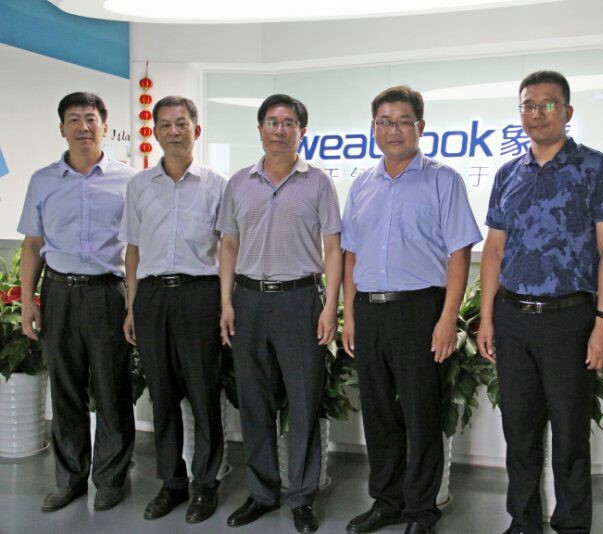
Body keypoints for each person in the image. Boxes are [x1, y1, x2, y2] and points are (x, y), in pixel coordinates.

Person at [477, 70, 603, 534]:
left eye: (547, 104)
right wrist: (486, 319)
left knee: (570, 433)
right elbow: (494, 251)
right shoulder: (508, 174)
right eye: (528, 105)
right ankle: (523, 522)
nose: (536, 113)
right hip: (513, 318)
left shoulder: (596, 168)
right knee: (519, 431)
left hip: (569, 319)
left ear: (568, 111)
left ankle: (572, 524)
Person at [341, 85, 482, 534]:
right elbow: (350, 255)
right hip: (370, 311)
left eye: (404, 121)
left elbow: (459, 254)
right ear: (373, 128)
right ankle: (387, 501)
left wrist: (447, 319)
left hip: (420, 310)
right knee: (378, 410)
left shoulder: (443, 180)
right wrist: (350, 315)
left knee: (422, 414)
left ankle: (421, 510)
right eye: (385, 122)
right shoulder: (361, 184)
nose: (394, 130)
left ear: (420, 127)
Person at [217, 94, 342, 533]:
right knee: (254, 402)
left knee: (304, 402)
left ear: (302, 132)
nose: (280, 130)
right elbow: (228, 244)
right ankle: (262, 493)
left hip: (300, 301)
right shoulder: (239, 183)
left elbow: (333, 248)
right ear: (260, 129)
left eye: (289, 123)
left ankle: (302, 496)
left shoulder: (319, 183)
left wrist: (330, 307)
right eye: (272, 122)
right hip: (248, 301)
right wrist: (226, 302)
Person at [18, 92, 136, 512]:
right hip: (59, 294)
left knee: (112, 389)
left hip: (109, 293)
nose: (83, 127)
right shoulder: (42, 180)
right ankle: (69, 479)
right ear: (62, 128)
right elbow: (33, 245)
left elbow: (135, 249)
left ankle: (110, 479)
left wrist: (133, 304)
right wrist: (28, 300)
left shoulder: (129, 180)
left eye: (90, 118)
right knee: (65, 390)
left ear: (105, 126)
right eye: (73, 119)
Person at [120, 96, 227, 523]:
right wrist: (132, 307)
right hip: (151, 297)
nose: (173, 131)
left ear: (196, 130)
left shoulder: (218, 185)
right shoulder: (139, 186)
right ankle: (172, 481)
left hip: (200, 295)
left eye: (181, 123)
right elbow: (133, 249)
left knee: (203, 392)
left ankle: (206, 484)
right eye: (164, 124)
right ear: (155, 132)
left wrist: (225, 305)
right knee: (161, 394)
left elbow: (229, 250)